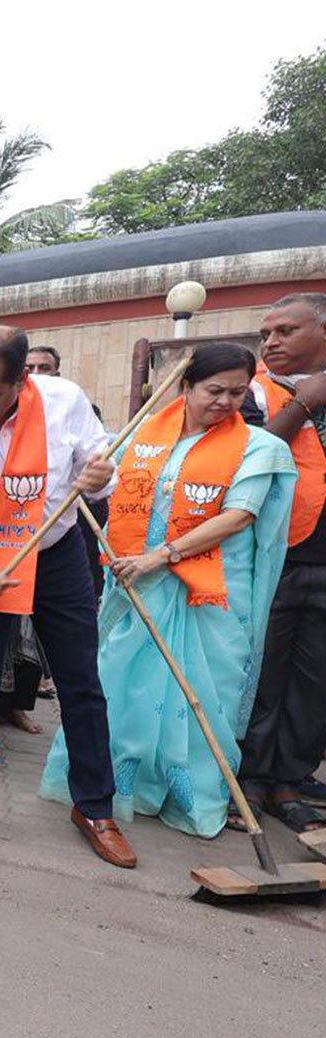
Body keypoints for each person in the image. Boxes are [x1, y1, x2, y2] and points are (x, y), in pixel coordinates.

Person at [41, 343, 295, 838]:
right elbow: (100, 488)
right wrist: (92, 478)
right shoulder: (141, 438)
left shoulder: (260, 448)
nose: (225, 401)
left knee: (201, 692)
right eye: (213, 390)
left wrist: (164, 555)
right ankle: (117, 787)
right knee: (123, 686)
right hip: (135, 582)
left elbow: (238, 516)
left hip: (208, 589)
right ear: (185, 387)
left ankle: (192, 795)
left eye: (237, 392)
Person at [0, 324, 133, 866]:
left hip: (55, 552)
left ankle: (94, 806)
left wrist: (102, 477)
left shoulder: (64, 402)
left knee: (80, 681)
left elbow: (102, 470)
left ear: (22, 380)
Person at [236, 293, 326, 834]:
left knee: (315, 682)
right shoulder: (254, 394)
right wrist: (305, 403)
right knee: (262, 674)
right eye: (266, 333)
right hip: (277, 558)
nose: (270, 342)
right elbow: (250, 457)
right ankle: (248, 776)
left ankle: (289, 781)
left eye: (285, 331)